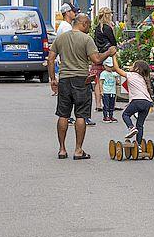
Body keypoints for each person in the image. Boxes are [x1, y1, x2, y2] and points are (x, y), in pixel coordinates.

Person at [47, 13, 116, 159]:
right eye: (89, 26)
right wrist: (108, 52)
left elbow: (51, 59)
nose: (89, 29)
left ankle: (62, 149)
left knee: (63, 115)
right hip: (81, 80)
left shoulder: (61, 38)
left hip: (65, 80)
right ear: (83, 24)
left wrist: (53, 79)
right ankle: (78, 150)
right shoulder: (86, 39)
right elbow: (96, 59)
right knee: (81, 115)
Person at [109, 58, 153, 144]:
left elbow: (117, 69)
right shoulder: (143, 78)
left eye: (133, 65)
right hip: (147, 103)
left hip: (137, 101)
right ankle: (139, 145)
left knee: (125, 114)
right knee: (140, 125)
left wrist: (113, 56)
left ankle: (131, 127)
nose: (131, 66)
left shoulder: (131, 75)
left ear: (137, 69)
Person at [92, 7, 119, 116]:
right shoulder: (107, 28)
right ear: (108, 15)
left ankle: (98, 104)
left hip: (99, 55)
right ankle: (111, 103)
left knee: (99, 80)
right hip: (108, 54)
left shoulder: (97, 28)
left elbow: (95, 41)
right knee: (112, 76)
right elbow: (113, 41)